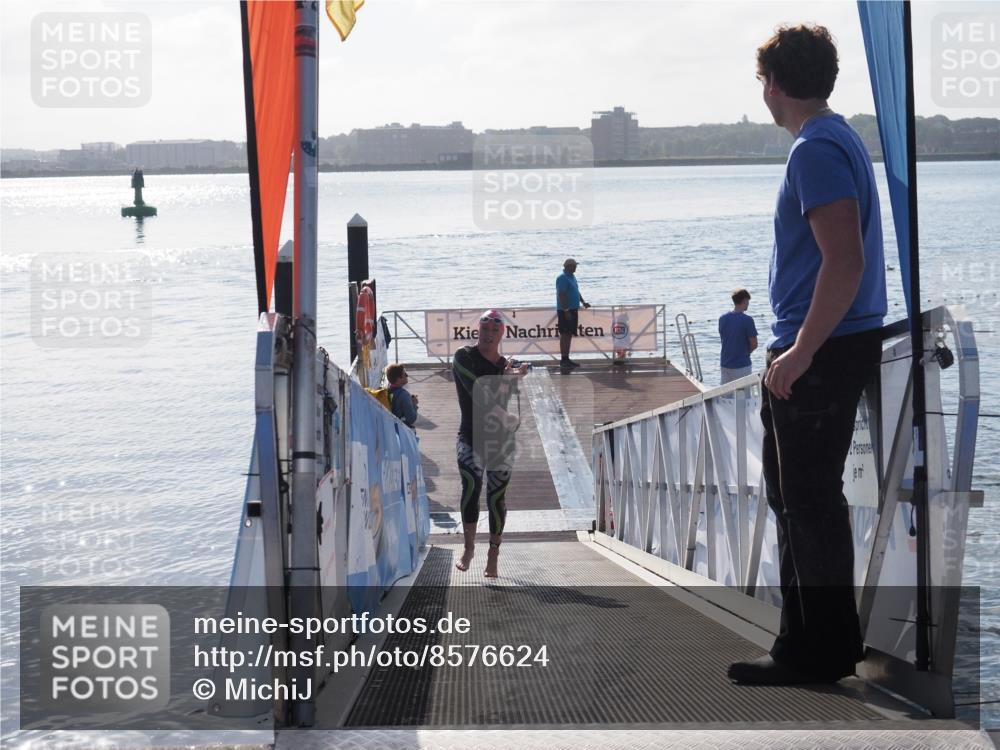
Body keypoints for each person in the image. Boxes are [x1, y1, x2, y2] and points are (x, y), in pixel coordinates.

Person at [727, 24, 887, 686]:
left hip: (819, 352)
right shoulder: (838, 137)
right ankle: (823, 642)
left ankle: (810, 652)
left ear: (773, 84)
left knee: (806, 503)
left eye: (761, 81)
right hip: (831, 345)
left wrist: (798, 352)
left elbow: (843, 262)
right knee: (806, 500)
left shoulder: (814, 150)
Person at [452, 309, 529, 577]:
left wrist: (514, 377)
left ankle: (493, 552)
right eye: (485, 329)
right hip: (470, 436)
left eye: (494, 331)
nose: (488, 335)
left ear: (502, 334)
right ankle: (469, 547)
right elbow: (477, 390)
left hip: (500, 440)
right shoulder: (463, 356)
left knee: (496, 497)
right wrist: (503, 412)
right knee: (471, 485)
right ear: (478, 330)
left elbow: (512, 382)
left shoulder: (507, 364)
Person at [556, 258, 591, 369]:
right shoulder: (562, 278)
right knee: (565, 335)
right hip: (565, 310)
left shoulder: (572, 277)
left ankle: (567, 358)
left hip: (574, 309)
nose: (576, 267)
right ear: (568, 266)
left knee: (569, 334)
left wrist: (583, 302)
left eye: (576, 265)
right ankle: (563, 359)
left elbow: (576, 290)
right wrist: (566, 310)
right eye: (574, 265)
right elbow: (561, 294)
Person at [718, 289, 758, 383]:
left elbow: (724, 339)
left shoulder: (722, 318)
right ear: (744, 300)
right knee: (744, 394)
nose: (748, 303)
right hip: (742, 364)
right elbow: (754, 344)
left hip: (725, 362)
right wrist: (746, 352)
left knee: (726, 394)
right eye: (748, 301)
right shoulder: (747, 320)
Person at [386, 363, 418, 429]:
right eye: (405, 374)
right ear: (398, 379)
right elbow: (411, 419)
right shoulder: (404, 395)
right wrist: (414, 404)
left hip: (392, 427)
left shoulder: (387, 391)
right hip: (402, 430)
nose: (407, 376)